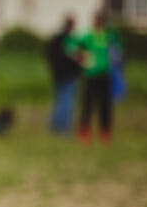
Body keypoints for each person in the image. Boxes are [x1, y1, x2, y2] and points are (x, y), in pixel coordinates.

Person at [72, 11, 121, 145]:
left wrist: (115, 62)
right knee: (88, 105)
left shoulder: (109, 37)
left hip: (105, 74)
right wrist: (82, 61)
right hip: (90, 75)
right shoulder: (87, 37)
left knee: (105, 105)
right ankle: (84, 133)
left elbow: (117, 53)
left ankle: (105, 133)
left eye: (101, 20)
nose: (99, 23)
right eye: (97, 20)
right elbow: (75, 51)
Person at [45, 15, 82, 135]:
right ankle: (63, 128)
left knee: (59, 101)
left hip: (59, 75)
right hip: (66, 75)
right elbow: (73, 58)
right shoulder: (69, 40)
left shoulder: (57, 38)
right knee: (66, 102)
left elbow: (49, 56)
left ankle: (54, 126)